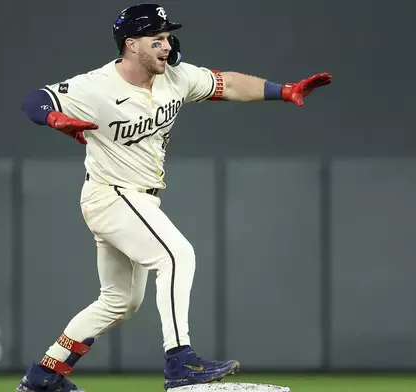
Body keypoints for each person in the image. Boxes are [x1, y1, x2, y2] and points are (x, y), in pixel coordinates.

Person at [17, 3, 332, 391]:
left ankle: (44, 376)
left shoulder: (176, 77)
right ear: (131, 45)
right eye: (157, 39)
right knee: (176, 255)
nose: (167, 46)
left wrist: (283, 91)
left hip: (140, 200)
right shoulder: (96, 86)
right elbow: (35, 100)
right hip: (111, 194)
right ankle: (179, 360)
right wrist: (55, 118)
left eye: (168, 38)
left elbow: (228, 83)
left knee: (119, 301)